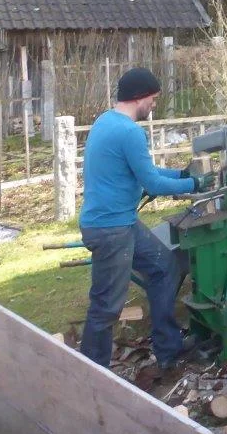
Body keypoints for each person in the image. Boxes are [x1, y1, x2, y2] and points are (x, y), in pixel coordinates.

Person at [80, 67, 206, 369]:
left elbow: (144, 171)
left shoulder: (106, 122)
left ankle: (169, 349)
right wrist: (195, 185)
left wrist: (181, 174)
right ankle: (90, 372)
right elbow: (153, 184)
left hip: (120, 223)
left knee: (164, 267)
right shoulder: (129, 132)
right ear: (140, 97)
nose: (154, 105)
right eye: (153, 98)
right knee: (106, 307)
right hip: (110, 229)